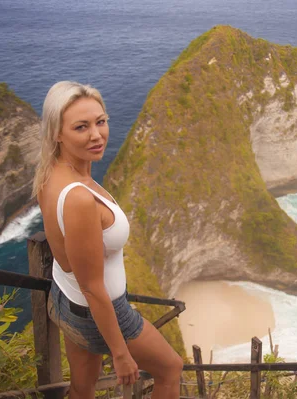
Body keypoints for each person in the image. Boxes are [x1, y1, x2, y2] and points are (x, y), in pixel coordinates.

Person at [32, 81, 183, 398]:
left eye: (100, 122)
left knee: (81, 389)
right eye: (81, 127)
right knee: (170, 369)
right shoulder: (79, 199)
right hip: (98, 312)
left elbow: (70, 259)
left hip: (64, 300)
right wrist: (119, 352)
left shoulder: (50, 174)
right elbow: (92, 285)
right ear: (57, 133)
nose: (96, 135)